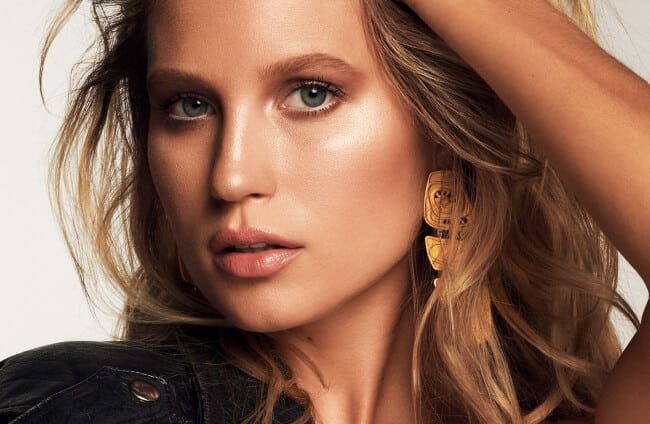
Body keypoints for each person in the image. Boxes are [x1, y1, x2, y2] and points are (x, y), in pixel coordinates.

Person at [1, 0, 649, 422]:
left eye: (311, 94)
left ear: (446, 129)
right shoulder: (79, 407)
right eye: (190, 106)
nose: (231, 175)